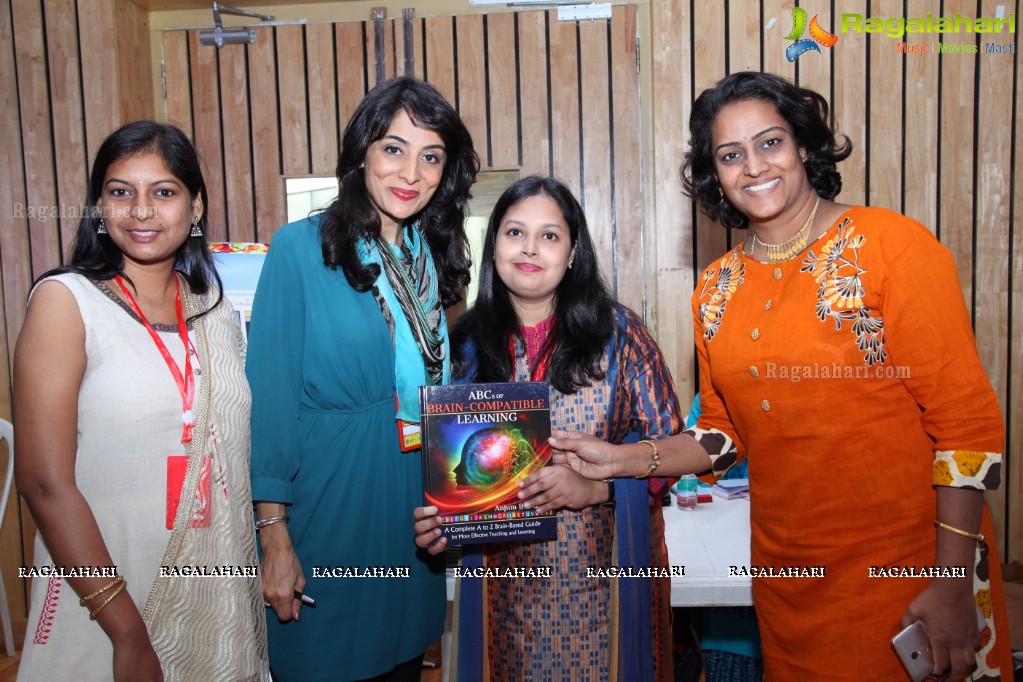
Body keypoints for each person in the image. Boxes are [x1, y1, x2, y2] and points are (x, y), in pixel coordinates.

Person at [555, 71, 1014, 681]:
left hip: (913, 580)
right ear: (714, 173)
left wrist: (952, 583)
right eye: (730, 154)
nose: (753, 166)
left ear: (803, 146)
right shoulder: (716, 290)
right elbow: (720, 436)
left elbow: (968, 429)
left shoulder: (891, 248)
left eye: (769, 142)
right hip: (789, 586)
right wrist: (619, 459)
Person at [413, 175, 699, 681]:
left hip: (608, 579)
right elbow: (452, 471)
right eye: (514, 232)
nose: (529, 248)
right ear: (494, 246)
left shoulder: (620, 335)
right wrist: (444, 523)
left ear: (572, 253)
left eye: (549, 235)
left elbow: (676, 449)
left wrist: (598, 490)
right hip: (506, 595)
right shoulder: (463, 348)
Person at [14, 120, 268, 681]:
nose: (141, 210)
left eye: (164, 191)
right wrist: (126, 631)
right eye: (120, 191)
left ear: (196, 206)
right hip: (101, 587)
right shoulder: (67, 302)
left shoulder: (216, 312)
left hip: (213, 587)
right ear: (99, 207)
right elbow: (42, 481)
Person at [247, 76, 479, 681]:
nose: (411, 172)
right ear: (362, 154)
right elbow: (270, 407)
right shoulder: (298, 249)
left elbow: (440, 396)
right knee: (322, 663)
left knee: (403, 664)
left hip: (410, 511)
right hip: (330, 504)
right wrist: (274, 536)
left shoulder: (431, 259)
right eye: (394, 149)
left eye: (431, 156)